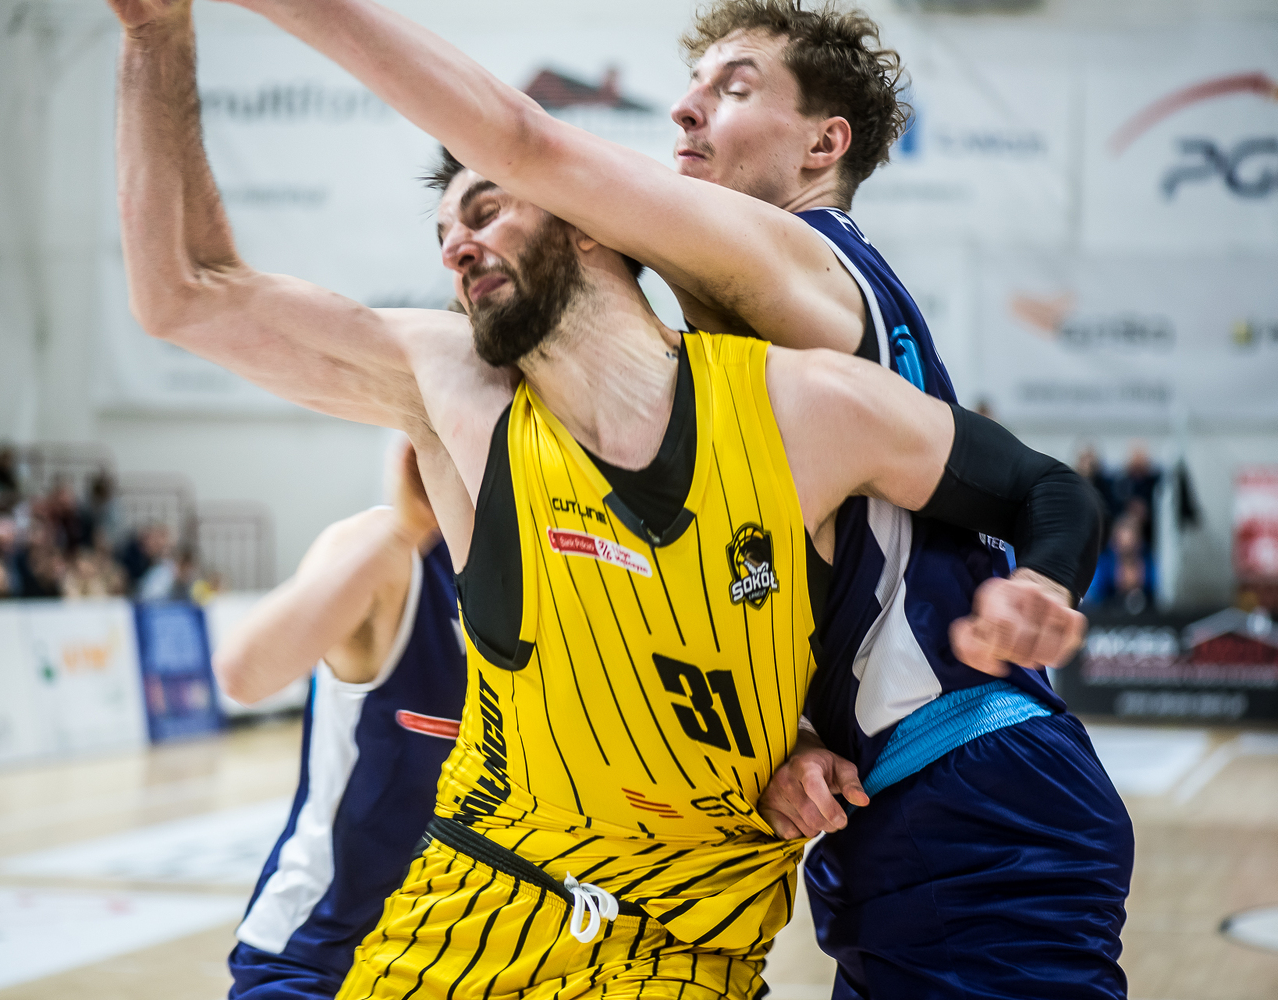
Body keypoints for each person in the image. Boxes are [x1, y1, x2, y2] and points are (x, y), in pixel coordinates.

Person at [108, 1, 1100, 996]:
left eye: (488, 210)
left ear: (592, 224)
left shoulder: (802, 322)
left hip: (940, 797)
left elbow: (524, 140)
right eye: (445, 231)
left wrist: (1043, 586)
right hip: (519, 912)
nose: (683, 113)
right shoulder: (469, 385)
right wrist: (154, 34)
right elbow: (183, 295)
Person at [216, 439, 466, 1000]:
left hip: (459, 957)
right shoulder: (390, 554)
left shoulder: (552, 577)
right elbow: (243, 674)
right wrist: (404, 530)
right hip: (321, 952)